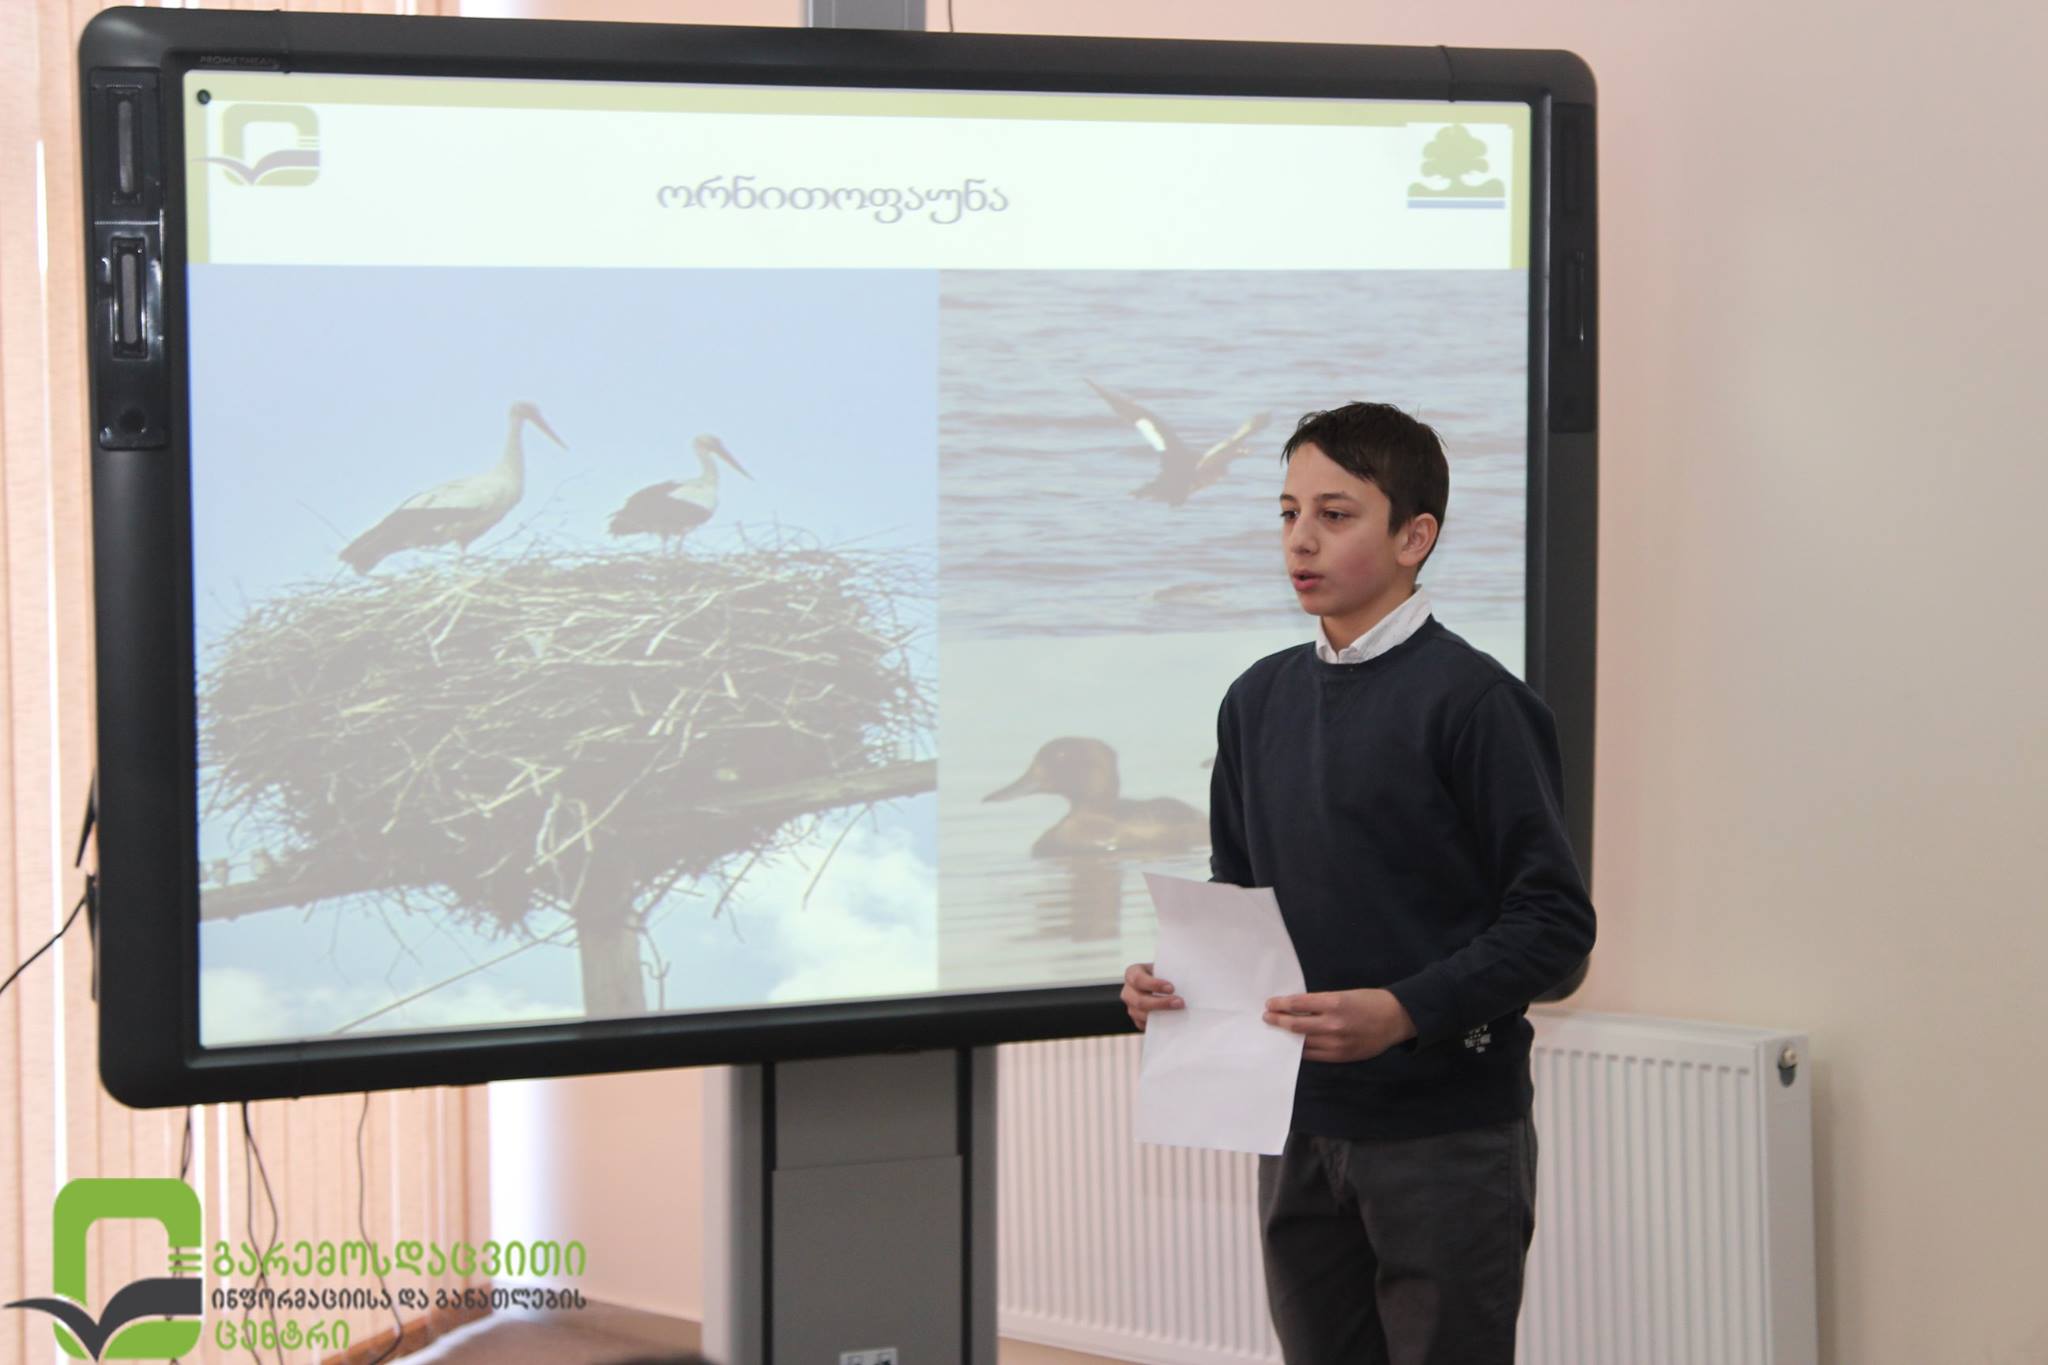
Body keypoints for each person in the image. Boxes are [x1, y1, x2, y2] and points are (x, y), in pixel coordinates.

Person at [1121, 402, 1596, 1365]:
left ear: (1415, 537)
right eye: (1288, 511)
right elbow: (1238, 896)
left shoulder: (1478, 702)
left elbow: (1555, 926)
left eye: (1335, 515)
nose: (1301, 538)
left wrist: (1404, 1010)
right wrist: (1177, 979)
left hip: (1444, 1130)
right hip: (1294, 1122)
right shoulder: (1256, 700)